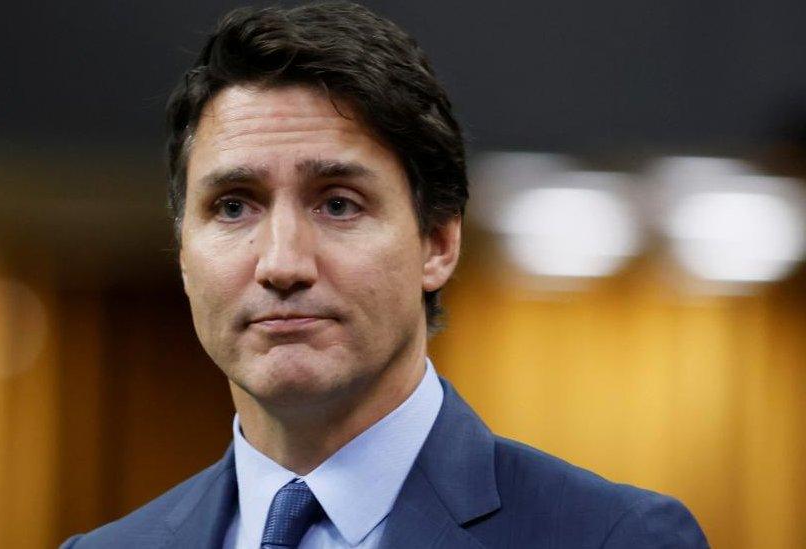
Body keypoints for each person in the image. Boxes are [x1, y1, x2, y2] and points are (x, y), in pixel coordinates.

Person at [62, 2, 708, 547]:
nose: (282, 263)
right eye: (233, 207)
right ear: (183, 254)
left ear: (438, 241)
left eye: (338, 203)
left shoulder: (614, 537)